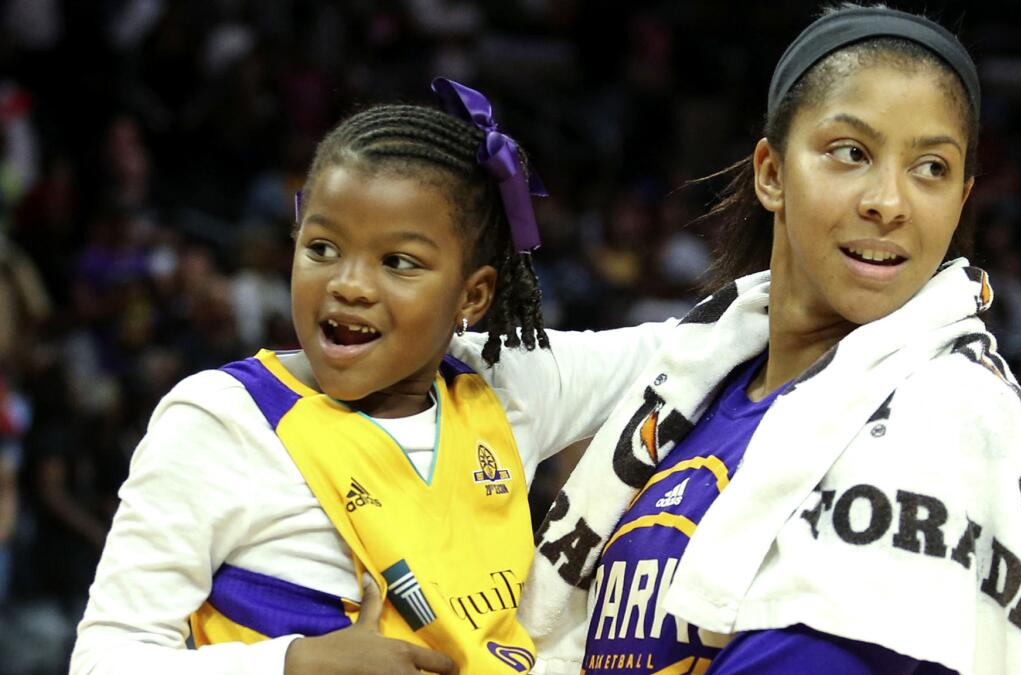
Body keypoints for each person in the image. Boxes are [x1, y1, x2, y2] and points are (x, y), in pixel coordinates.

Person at [520, 5, 1021, 674]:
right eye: (851, 153)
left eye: (932, 168)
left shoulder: (946, 407)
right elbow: (464, 367)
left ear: (961, 200)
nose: (890, 201)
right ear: (771, 173)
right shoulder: (690, 368)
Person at [70, 79, 670, 675]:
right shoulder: (218, 419)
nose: (348, 284)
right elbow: (105, 661)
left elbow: (706, 341)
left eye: (398, 263)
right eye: (323, 247)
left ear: (473, 294)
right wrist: (296, 663)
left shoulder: (506, 382)